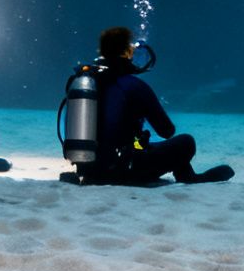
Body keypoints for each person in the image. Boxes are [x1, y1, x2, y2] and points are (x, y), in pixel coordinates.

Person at [83, 25, 233, 184]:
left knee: (141, 145)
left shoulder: (89, 82)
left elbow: (112, 134)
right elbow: (167, 131)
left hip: (91, 168)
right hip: (125, 169)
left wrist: (138, 141)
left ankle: (185, 175)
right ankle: (188, 177)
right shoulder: (134, 86)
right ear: (127, 52)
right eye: (132, 48)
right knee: (186, 142)